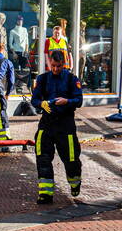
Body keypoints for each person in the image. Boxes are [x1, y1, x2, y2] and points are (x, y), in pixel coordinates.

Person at [30, 49, 84, 204]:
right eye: (53, 66)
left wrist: (67, 101)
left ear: (64, 64)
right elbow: (35, 99)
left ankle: (75, 183)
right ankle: (45, 194)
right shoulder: (43, 79)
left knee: (71, 158)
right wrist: (41, 103)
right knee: (42, 157)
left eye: (58, 66)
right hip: (47, 123)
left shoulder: (72, 79)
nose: (55, 69)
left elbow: (79, 100)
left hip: (65, 124)